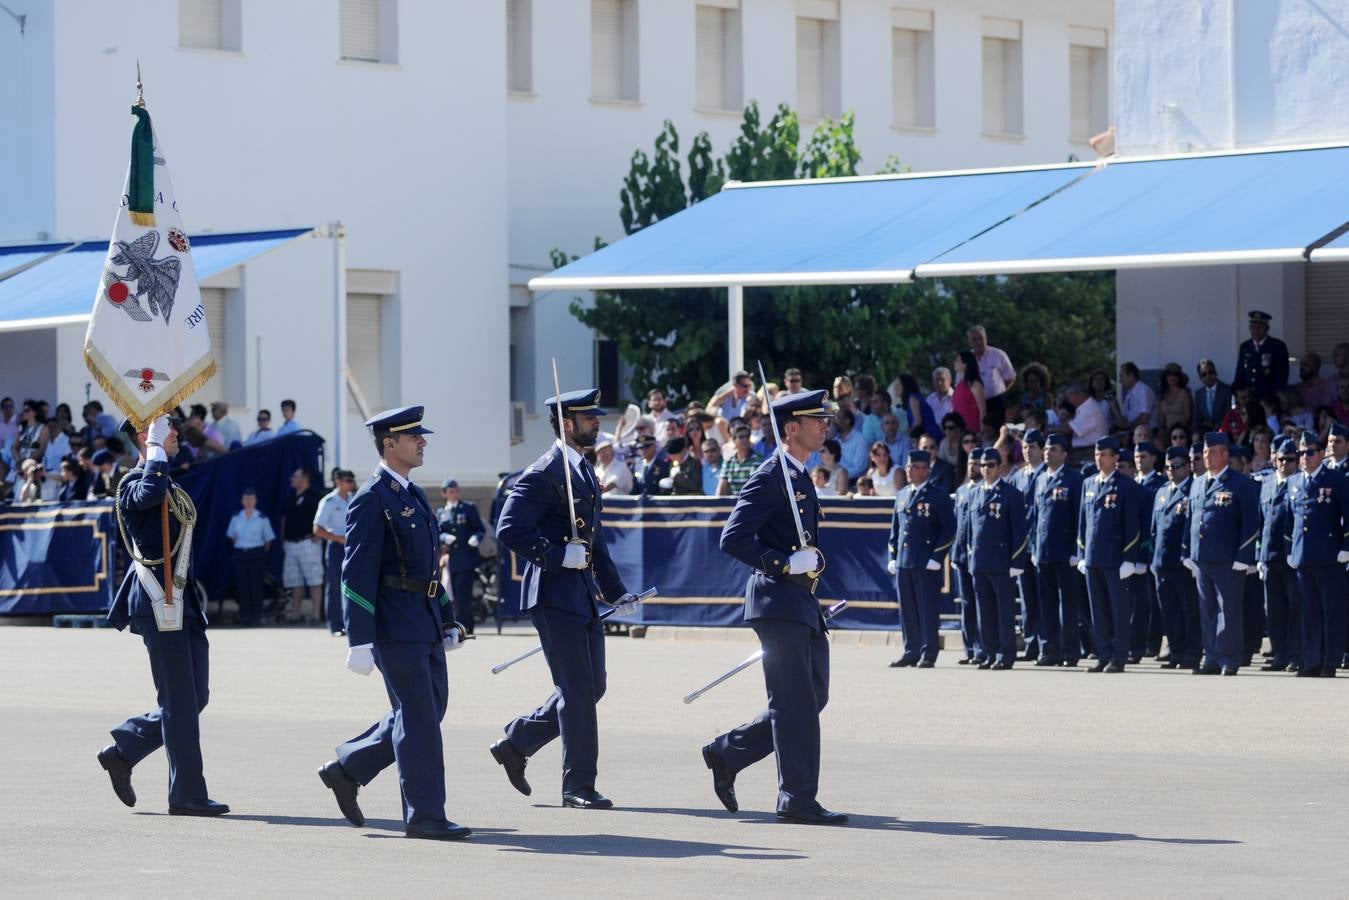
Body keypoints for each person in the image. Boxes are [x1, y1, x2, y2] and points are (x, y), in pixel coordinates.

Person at [319, 405, 471, 841]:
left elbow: (425, 569)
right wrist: (359, 639)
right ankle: (425, 814)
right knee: (420, 716)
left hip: (422, 621)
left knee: (428, 710)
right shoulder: (371, 498)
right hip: (392, 625)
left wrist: (447, 617)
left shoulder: (414, 495)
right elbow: (356, 572)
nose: (422, 442)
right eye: (413, 437)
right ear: (389, 444)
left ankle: (349, 768)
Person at [702, 389, 846, 825]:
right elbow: (734, 537)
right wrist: (783, 564)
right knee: (794, 701)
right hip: (776, 600)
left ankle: (727, 752)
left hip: (800, 601)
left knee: (812, 694)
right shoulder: (771, 475)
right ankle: (796, 798)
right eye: (816, 420)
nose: (825, 426)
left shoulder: (800, 475)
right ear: (791, 428)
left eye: (825, 420)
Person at [491, 389, 637, 810]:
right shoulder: (545, 471)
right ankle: (578, 785)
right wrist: (556, 555)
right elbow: (509, 528)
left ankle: (516, 742)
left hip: (581, 593)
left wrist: (615, 590)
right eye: (589, 417)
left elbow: (595, 540)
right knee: (575, 689)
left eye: (596, 416)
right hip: (552, 592)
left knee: (593, 686)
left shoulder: (585, 471)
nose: (597, 423)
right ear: (567, 423)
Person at [96, 415, 227, 817]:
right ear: (144, 437)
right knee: (179, 701)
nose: (175, 435)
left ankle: (125, 749)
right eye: (165, 430)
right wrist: (154, 452)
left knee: (194, 697)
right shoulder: (134, 482)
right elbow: (148, 494)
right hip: (158, 603)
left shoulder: (167, 482)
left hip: (182, 603)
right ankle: (186, 794)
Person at [1185, 432, 1259, 676]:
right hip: (1202, 555)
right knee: (1206, 610)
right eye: (1205, 452)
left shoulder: (1240, 483)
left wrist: (1243, 556)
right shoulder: (1196, 482)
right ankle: (1212, 658)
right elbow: (1191, 519)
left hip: (1228, 558)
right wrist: (1187, 550)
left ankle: (1229, 658)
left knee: (1228, 610)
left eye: (1213, 452)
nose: (1207, 457)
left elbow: (1250, 523)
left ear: (1226, 455)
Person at [1077, 436, 1142, 673]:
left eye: (1104, 454)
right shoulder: (1089, 484)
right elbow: (1083, 523)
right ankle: (1103, 654)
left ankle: (1119, 656)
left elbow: (1132, 526)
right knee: (1099, 611)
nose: (1099, 458)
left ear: (1116, 458)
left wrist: (1129, 559)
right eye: (1096, 454)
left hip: (1116, 559)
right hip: (1093, 559)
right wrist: (1081, 553)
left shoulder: (1126, 486)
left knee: (1118, 611)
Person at [1287, 431, 1349, 677]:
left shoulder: (1336, 478)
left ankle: (1330, 661)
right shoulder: (1294, 481)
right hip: (1303, 556)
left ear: (1321, 454)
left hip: (1329, 555)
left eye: (1310, 452)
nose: (1305, 457)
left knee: (1330, 611)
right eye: (1301, 453)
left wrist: (1346, 546)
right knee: (1309, 611)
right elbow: (1288, 522)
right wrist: (1289, 550)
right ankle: (1311, 660)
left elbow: (1347, 514)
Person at [886, 449, 955, 668]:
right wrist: (893, 556)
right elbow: (895, 533)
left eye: (916, 467)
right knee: (907, 609)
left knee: (927, 609)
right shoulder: (902, 494)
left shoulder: (938, 495)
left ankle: (928, 651)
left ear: (926, 470)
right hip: (905, 561)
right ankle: (911, 649)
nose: (911, 471)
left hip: (926, 562)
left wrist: (937, 556)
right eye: (909, 467)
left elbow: (949, 529)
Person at [967, 447, 1027, 669]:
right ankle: (989, 652)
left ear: (1000, 467)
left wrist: (1017, 562)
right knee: (985, 613)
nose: (985, 469)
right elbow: (969, 531)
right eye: (982, 465)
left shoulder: (1011, 494)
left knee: (1004, 612)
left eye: (990, 465)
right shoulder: (974, 493)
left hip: (1002, 562)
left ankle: (1005, 654)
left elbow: (1019, 531)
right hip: (980, 562)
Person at [1032, 434, 1082, 666]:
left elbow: (1079, 518)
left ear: (1064, 454)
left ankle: (1070, 651)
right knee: (1046, 604)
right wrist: (1034, 547)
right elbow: (1035, 518)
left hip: (1065, 553)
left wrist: (1076, 550)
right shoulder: (1040, 479)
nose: (1047, 453)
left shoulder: (1074, 479)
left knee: (1068, 606)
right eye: (1047, 449)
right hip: (1043, 552)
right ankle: (1049, 650)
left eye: (1053, 449)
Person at [1150, 447, 1201, 670]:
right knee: (1169, 610)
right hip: (1162, 562)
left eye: (1177, 465)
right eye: (1169, 466)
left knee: (1188, 610)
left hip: (1182, 562)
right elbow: (1154, 529)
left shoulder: (1194, 489)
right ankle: (1176, 650)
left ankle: (1191, 652)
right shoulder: (1162, 492)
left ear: (1188, 466)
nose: (1172, 470)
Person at [1256, 438, 1301, 672]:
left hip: (1291, 557)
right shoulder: (1267, 483)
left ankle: (1295, 655)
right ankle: (1280, 654)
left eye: (1290, 459)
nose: (1284, 463)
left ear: (1297, 461)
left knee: (1295, 609)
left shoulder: (1299, 483)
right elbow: (1261, 523)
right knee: (1274, 610)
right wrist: (1259, 556)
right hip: (1270, 556)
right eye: (1281, 459)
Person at [1011, 430, 1047, 661]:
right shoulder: (1018, 476)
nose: (1027, 450)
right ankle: (1031, 643)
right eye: (1024, 446)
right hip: (1023, 545)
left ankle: (1047, 644)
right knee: (1028, 598)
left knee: (1045, 597)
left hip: (1042, 544)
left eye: (1032, 446)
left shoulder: (1047, 473)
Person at [436, 478, 486, 635]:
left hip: (466, 558)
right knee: (453, 595)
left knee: (464, 595)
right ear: (444, 494)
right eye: (451, 491)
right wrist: (444, 537)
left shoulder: (468, 508)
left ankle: (466, 627)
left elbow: (480, 529)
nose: (455, 494)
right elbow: (436, 533)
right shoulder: (442, 512)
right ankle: (456, 626)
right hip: (451, 561)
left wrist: (476, 538)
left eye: (456, 490)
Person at [312, 470, 356, 635]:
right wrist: (338, 538)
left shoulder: (354, 498)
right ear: (337, 481)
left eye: (352, 480)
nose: (351, 483)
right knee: (335, 586)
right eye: (347, 480)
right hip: (337, 547)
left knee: (353, 585)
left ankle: (350, 623)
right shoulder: (329, 501)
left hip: (353, 547)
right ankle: (335, 625)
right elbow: (317, 529)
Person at [226, 487, 276, 627]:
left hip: (256, 554)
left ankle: (256, 618)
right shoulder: (236, 517)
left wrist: (259, 553)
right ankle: (244, 618)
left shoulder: (262, 518)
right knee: (243, 587)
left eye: (251, 499)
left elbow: (268, 541)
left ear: (255, 501)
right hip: (240, 554)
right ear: (242, 501)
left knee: (256, 587)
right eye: (246, 499)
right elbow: (232, 537)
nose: (248, 501)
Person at [281, 468, 323, 624]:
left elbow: (322, 518)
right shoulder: (290, 497)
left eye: (295, 476)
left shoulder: (315, 497)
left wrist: (318, 535)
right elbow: (283, 520)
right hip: (291, 544)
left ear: (305, 478)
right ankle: (296, 615)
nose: (292, 478)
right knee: (295, 582)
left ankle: (316, 615)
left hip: (308, 543)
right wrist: (283, 539)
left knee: (314, 580)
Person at [951, 454, 983, 664]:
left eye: (977, 463)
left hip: (979, 556)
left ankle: (983, 648)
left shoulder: (984, 489)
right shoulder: (962, 491)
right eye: (970, 462)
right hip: (961, 554)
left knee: (982, 603)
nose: (973, 467)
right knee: (967, 603)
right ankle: (969, 648)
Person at [1234, 310, 1290, 402]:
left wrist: (1275, 398)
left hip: (1268, 399)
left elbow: (1282, 377)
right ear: (1250, 328)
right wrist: (1239, 394)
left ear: (1267, 328)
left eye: (1260, 327)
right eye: (1253, 327)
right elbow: (1240, 373)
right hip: (1248, 399)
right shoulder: (1245, 347)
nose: (1256, 330)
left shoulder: (1278, 346)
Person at [968, 326, 1016, 427]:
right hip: (974, 404)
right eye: (974, 339)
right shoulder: (966, 359)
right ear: (970, 342)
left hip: (996, 403)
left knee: (997, 430)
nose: (978, 342)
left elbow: (1010, 377)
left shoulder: (998, 355)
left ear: (986, 338)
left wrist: (1001, 392)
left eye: (981, 338)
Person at [1057, 383, 1109, 450]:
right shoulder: (1086, 407)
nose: (1067, 398)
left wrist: (1048, 430)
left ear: (1079, 394)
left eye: (1069, 395)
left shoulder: (1089, 409)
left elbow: (1068, 429)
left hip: (1089, 451)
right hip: (1087, 450)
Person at [717, 425, 764, 497]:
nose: (745, 439)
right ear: (734, 440)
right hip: (732, 504)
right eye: (741, 437)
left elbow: (758, 485)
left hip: (753, 501)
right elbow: (722, 486)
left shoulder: (759, 459)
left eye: (747, 436)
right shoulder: (728, 461)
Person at [952, 351, 986, 442]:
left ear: (965, 364)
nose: (954, 362)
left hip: (975, 433)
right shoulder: (958, 385)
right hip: (960, 433)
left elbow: (982, 410)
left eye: (957, 360)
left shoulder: (975, 385)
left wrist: (982, 432)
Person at [1118, 363, 1159, 432]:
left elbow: (1144, 418)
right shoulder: (1128, 395)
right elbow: (1124, 418)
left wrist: (1128, 426)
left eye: (1122, 376)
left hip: (1147, 433)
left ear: (1131, 375)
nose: (1120, 380)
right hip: (1134, 432)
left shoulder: (1143, 391)